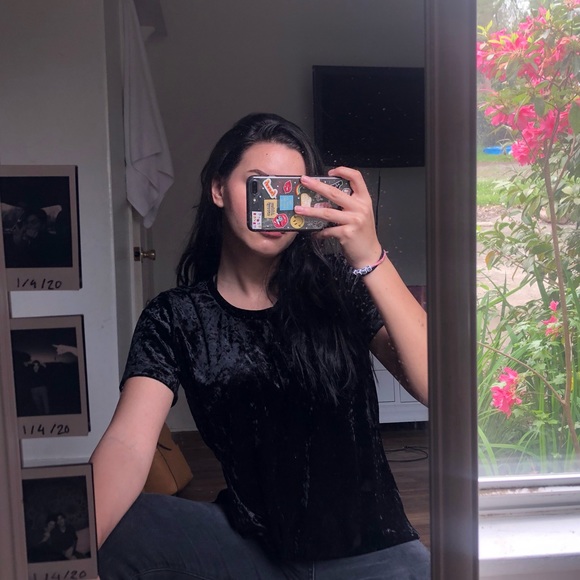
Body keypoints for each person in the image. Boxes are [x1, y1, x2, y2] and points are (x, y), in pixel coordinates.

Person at [92, 113, 429, 579]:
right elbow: (128, 442)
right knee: (123, 526)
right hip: (250, 548)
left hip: (370, 549)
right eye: (259, 185)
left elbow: (440, 389)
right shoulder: (175, 316)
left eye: (291, 189)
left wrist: (370, 255)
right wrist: (67, 555)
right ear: (218, 189)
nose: (275, 203)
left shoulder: (340, 287)